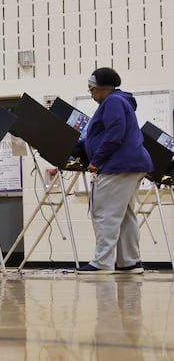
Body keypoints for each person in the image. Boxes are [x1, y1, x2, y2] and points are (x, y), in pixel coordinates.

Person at [75, 67, 152, 274]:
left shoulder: (113, 102)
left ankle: (102, 263)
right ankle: (129, 262)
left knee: (105, 213)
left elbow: (114, 133)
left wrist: (96, 161)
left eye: (92, 90)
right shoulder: (119, 100)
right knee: (125, 215)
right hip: (130, 164)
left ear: (102, 88)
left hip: (118, 166)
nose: (91, 94)